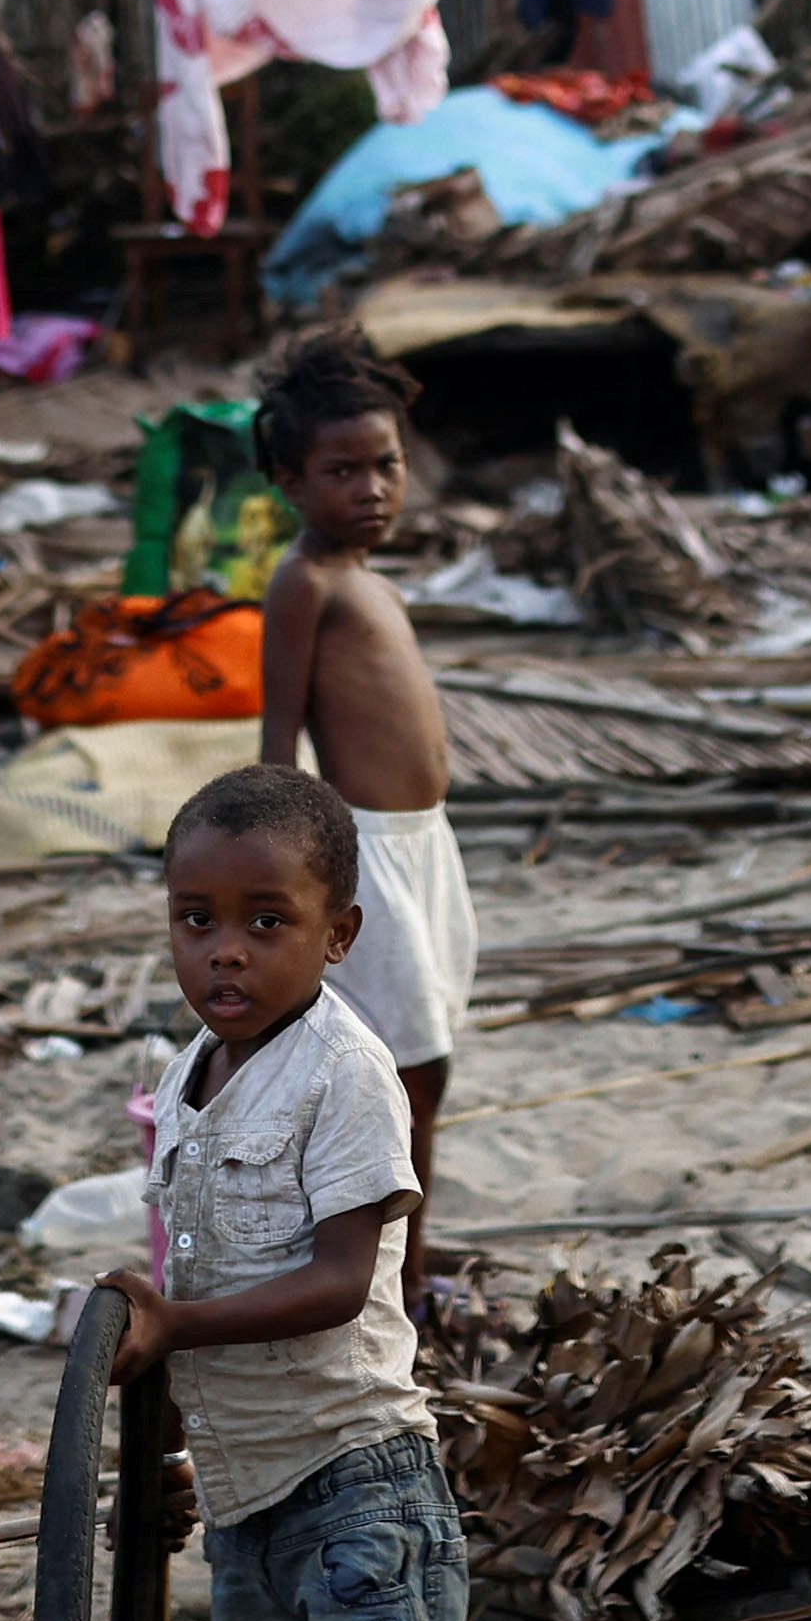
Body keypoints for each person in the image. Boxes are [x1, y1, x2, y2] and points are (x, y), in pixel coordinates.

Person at [106, 765, 472, 1621]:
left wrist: (175, 1326)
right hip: (260, 1468)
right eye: (196, 918)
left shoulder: (348, 1075)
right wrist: (173, 1425)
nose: (225, 950)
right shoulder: (189, 1073)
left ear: (340, 934)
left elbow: (331, 1280)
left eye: (267, 921)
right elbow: (179, 1261)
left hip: (357, 1465)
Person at [248, 325, 472, 1239]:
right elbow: (278, 739)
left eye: (386, 463)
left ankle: (407, 1260)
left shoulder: (367, 579)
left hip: (426, 846)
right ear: (292, 483)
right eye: (342, 470)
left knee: (432, 1060)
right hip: (368, 853)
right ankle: (394, 1280)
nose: (372, 487)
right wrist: (276, 876)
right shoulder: (303, 582)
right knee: (404, 1075)